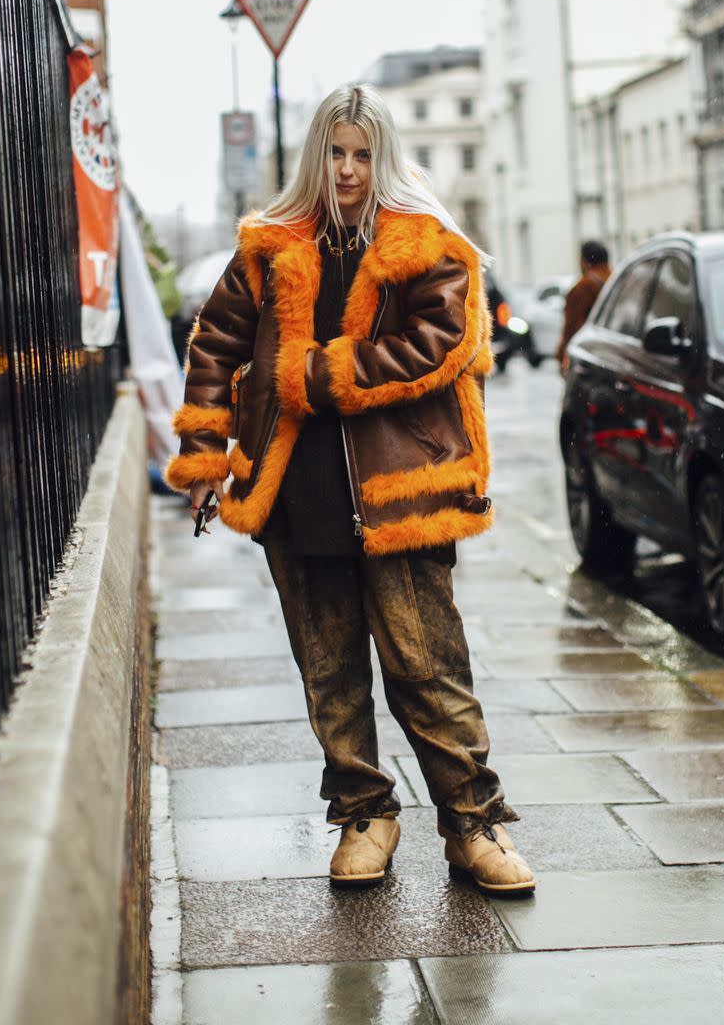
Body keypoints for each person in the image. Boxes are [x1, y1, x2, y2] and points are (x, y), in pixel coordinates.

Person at [167, 84, 535, 896]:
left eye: (362, 154)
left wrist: (321, 375)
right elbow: (214, 343)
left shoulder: (426, 245)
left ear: (385, 159)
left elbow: (440, 344)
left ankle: (474, 823)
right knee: (328, 670)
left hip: (401, 496)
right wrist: (204, 454)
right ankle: (365, 813)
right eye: (334, 152)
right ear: (313, 156)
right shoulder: (269, 246)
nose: (347, 169)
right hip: (297, 494)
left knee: (427, 668)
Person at [556, 240, 612, 371]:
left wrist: (561, 355)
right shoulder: (619, 281)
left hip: (590, 357)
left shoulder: (583, 288)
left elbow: (572, 327)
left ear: (584, 261)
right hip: (617, 355)